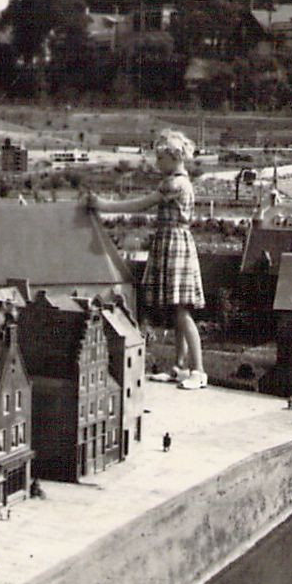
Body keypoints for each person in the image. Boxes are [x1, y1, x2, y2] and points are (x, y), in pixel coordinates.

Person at [86, 129, 207, 390]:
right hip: (173, 241)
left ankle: (198, 370)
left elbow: (141, 204)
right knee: (178, 310)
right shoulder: (181, 182)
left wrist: (103, 205)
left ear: (173, 157)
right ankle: (180, 366)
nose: (157, 163)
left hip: (174, 243)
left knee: (183, 311)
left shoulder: (173, 184)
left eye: (160, 158)